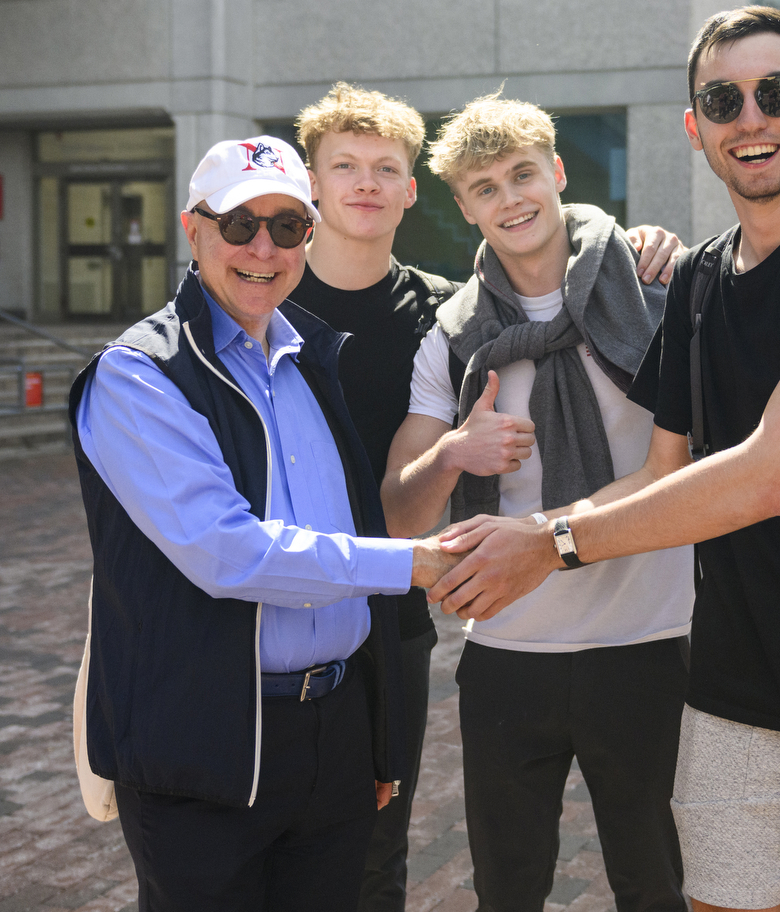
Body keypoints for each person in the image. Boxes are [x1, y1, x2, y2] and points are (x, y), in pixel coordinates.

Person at [423, 6, 780, 912]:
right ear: (695, 128)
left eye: (775, 94)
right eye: (723, 100)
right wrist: (525, 532)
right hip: (736, 686)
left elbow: (770, 475)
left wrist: (552, 543)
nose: (750, 118)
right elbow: (661, 471)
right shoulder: (693, 281)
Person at [285, 83, 682, 912]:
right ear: (464, 208)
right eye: (486, 189)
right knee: (507, 891)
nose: (511, 200)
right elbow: (399, 516)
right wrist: (453, 453)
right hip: (508, 654)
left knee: (659, 885)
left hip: (652, 640)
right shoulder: (454, 332)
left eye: (523, 175)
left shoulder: (658, 296)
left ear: (559, 172)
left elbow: (701, 466)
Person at [69, 135, 465, 912]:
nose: (262, 246)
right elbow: (229, 554)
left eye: (288, 227)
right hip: (204, 746)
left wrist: (374, 733)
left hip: (334, 736)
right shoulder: (138, 374)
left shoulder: (311, 361)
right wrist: (413, 563)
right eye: (239, 222)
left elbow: (345, 534)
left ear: (308, 240)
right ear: (193, 228)